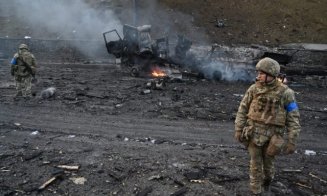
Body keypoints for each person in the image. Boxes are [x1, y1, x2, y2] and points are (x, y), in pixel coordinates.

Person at [234, 57, 300, 195]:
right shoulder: (253, 89)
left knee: (268, 169)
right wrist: (239, 129)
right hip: (253, 134)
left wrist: (292, 141)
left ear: (271, 75)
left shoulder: (286, 93)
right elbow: (243, 108)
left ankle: (267, 183)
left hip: (273, 138)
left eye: (261, 73)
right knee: (255, 165)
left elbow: (293, 118)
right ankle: (256, 191)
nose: (258, 76)